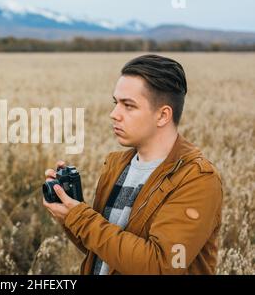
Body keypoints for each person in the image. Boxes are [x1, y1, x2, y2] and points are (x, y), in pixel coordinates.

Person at [43, 54, 223, 274]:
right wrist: (69, 211)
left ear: (163, 115)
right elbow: (101, 249)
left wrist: (79, 217)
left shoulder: (197, 179)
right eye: (115, 103)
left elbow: (160, 266)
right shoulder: (117, 165)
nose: (114, 114)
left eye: (128, 106)